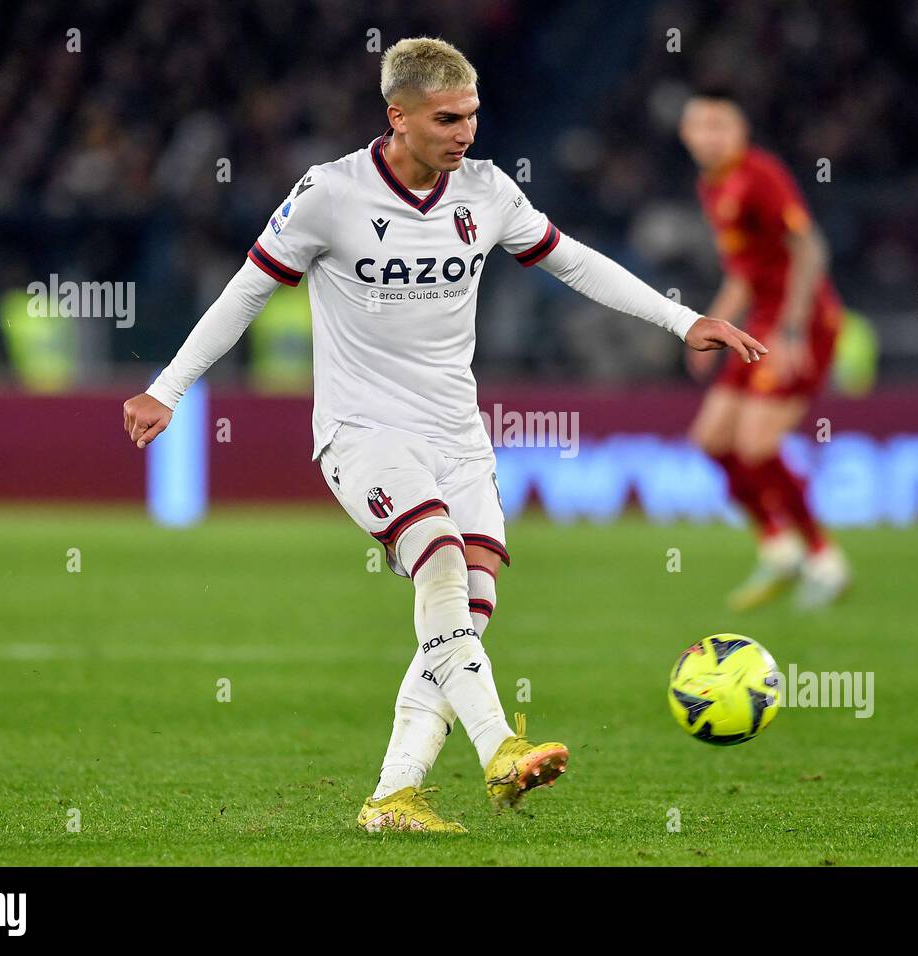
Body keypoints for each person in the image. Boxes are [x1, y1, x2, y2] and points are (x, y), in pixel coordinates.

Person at [123, 38, 766, 833]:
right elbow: (246, 291)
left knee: (460, 617)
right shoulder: (329, 194)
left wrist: (681, 318)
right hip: (363, 432)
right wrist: (167, 388)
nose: (466, 132)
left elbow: (573, 262)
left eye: (473, 116)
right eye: (447, 117)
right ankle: (500, 750)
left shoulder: (487, 193)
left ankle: (393, 797)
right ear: (398, 117)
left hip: (458, 437)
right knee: (437, 561)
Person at [678, 88, 850, 611]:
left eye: (719, 126)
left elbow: (810, 248)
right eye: (699, 126)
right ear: (686, 133)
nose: (709, 137)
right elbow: (745, 273)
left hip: (803, 324)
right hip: (759, 325)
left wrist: (793, 330)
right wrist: (707, 325)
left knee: (755, 443)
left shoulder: (761, 174)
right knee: (711, 438)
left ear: (741, 131)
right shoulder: (712, 186)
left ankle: (825, 559)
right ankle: (779, 547)